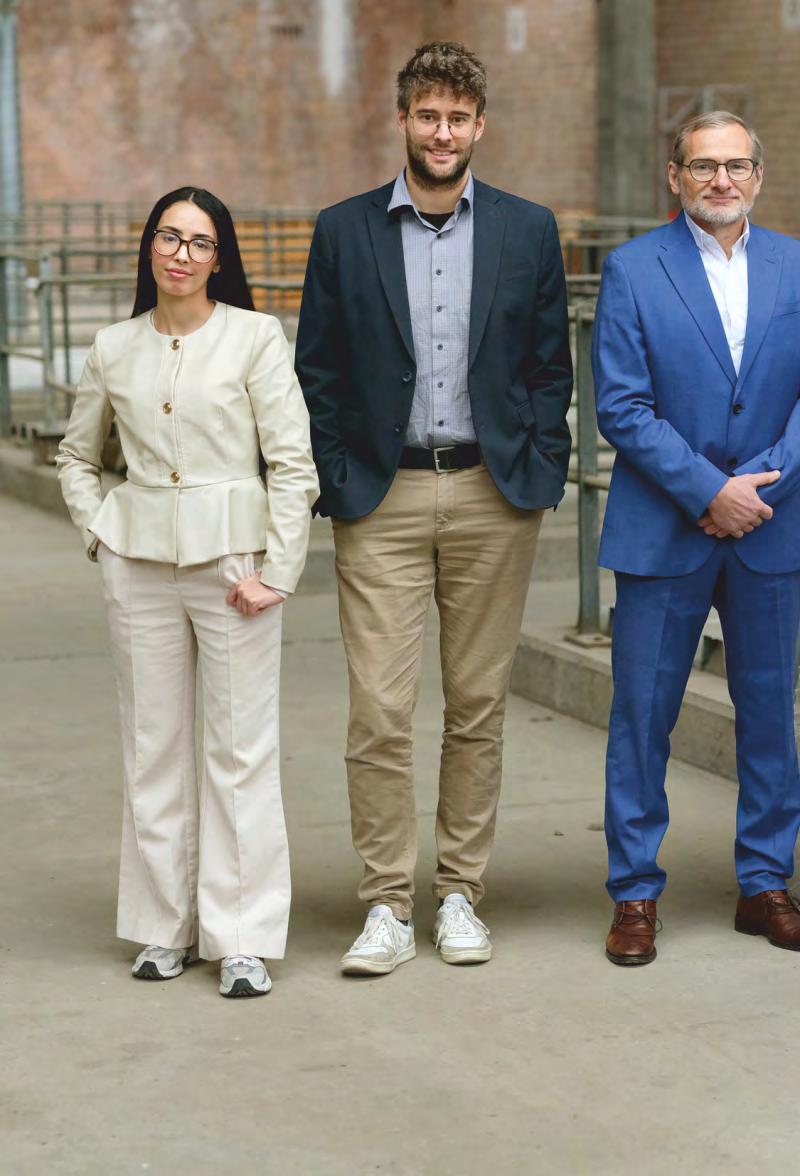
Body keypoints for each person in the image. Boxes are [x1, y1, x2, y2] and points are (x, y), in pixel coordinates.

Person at [295, 41, 573, 976]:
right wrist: (338, 478)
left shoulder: (527, 230)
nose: (442, 132)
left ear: (479, 126)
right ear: (403, 121)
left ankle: (458, 894)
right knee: (379, 710)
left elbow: (549, 367)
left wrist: (541, 463)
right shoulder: (344, 231)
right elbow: (318, 369)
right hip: (383, 496)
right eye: (427, 115)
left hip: (494, 494)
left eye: (458, 117)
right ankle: (384, 902)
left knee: (477, 704)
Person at [592, 111, 800, 967]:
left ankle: (765, 884)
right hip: (664, 528)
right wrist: (709, 490)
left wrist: (755, 488)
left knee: (769, 714)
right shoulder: (633, 268)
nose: (721, 181)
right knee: (643, 716)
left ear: (758, 176)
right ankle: (634, 892)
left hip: (768, 528)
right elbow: (622, 403)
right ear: (675, 177)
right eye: (703, 166)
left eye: (737, 165)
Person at [57, 187, 318, 998]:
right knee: (153, 746)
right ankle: (162, 925)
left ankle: (241, 937)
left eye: (200, 242)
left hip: (235, 566)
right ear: (150, 247)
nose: (182, 254)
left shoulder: (254, 336)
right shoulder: (113, 346)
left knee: (240, 750)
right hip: (138, 562)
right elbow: (76, 454)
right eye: (169, 237)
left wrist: (278, 570)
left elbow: (292, 462)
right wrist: (100, 533)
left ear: (219, 257)